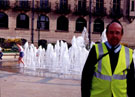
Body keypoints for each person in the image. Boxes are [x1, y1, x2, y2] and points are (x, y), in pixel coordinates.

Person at [81, 20, 135, 97]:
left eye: (117, 33)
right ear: (106, 34)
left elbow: (131, 82)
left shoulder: (128, 53)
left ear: (121, 35)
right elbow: (86, 78)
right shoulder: (96, 50)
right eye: (111, 32)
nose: (114, 36)